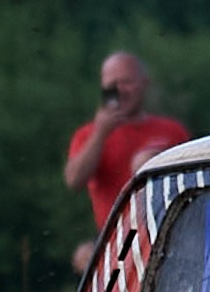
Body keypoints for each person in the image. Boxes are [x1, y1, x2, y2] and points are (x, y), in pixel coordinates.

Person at [64, 52, 190, 272]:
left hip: (167, 232)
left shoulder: (171, 131)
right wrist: (101, 133)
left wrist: (152, 161)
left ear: (144, 83)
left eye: (126, 82)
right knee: (83, 255)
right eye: (112, 85)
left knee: (144, 162)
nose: (120, 90)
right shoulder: (88, 135)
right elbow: (74, 180)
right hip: (115, 239)